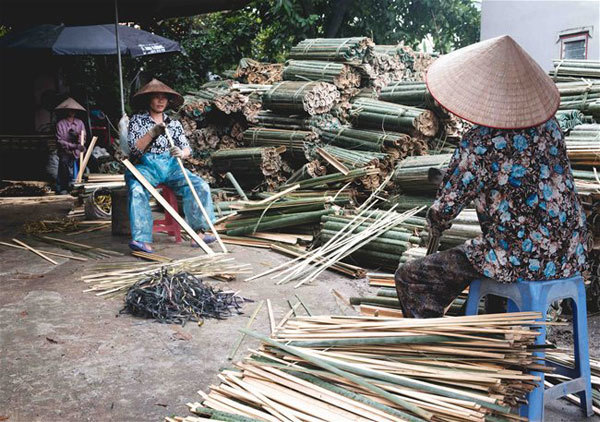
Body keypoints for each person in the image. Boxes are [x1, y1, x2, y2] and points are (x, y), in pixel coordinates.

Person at [394, 35, 590, 318]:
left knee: (411, 277)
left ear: (485, 95)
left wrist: (437, 221)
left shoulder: (480, 143)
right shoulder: (552, 129)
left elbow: (445, 209)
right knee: (489, 259)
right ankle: (499, 339)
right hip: (572, 253)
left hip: (518, 259)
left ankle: (435, 352)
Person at [126, 78, 216, 253]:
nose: (160, 101)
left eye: (163, 98)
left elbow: (187, 148)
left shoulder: (173, 123)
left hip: (171, 165)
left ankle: (199, 233)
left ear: (168, 101)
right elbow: (134, 151)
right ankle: (141, 240)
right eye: (156, 97)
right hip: (147, 165)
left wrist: (181, 153)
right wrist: (152, 133)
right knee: (136, 190)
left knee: (200, 186)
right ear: (148, 100)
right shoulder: (137, 120)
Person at [55, 97, 86, 193]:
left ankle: (82, 185)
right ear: (66, 111)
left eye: (73, 110)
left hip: (78, 150)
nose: (71, 112)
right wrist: (73, 146)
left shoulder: (80, 123)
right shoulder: (60, 124)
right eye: (69, 110)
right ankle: (63, 187)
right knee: (63, 162)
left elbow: (83, 137)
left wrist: (79, 141)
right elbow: (59, 141)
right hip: (65, 150)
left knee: (90, 161)